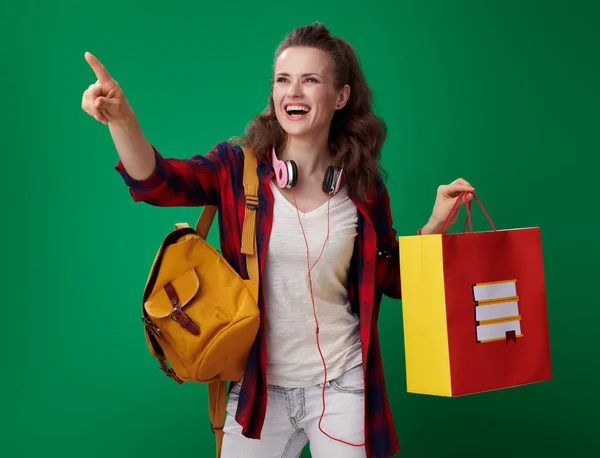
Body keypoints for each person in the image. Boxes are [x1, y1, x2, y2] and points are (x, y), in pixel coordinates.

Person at [82, 22, 474, 458]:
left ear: (340, 97)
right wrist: (122, 121)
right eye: (283, 80)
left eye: (310, 80)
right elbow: (159, 182)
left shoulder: (362, 189)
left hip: (341, 385)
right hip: (260, 390)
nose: (294, 93)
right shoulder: (237, 168)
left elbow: (392, 278)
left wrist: (434, 226)